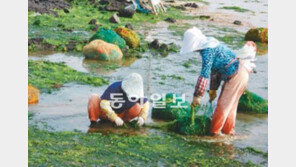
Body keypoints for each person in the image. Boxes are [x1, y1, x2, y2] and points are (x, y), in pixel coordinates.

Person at [180, 27, 257, 136]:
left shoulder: (207, 51)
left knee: (223, 106)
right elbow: (215, 71)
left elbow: (204, 74)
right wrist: (212, 90)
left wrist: (198, 95)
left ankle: (215, 134)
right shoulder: (211, 43)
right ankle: (228, 132)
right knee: (230, 107)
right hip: (242, 72)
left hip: (236, 75)